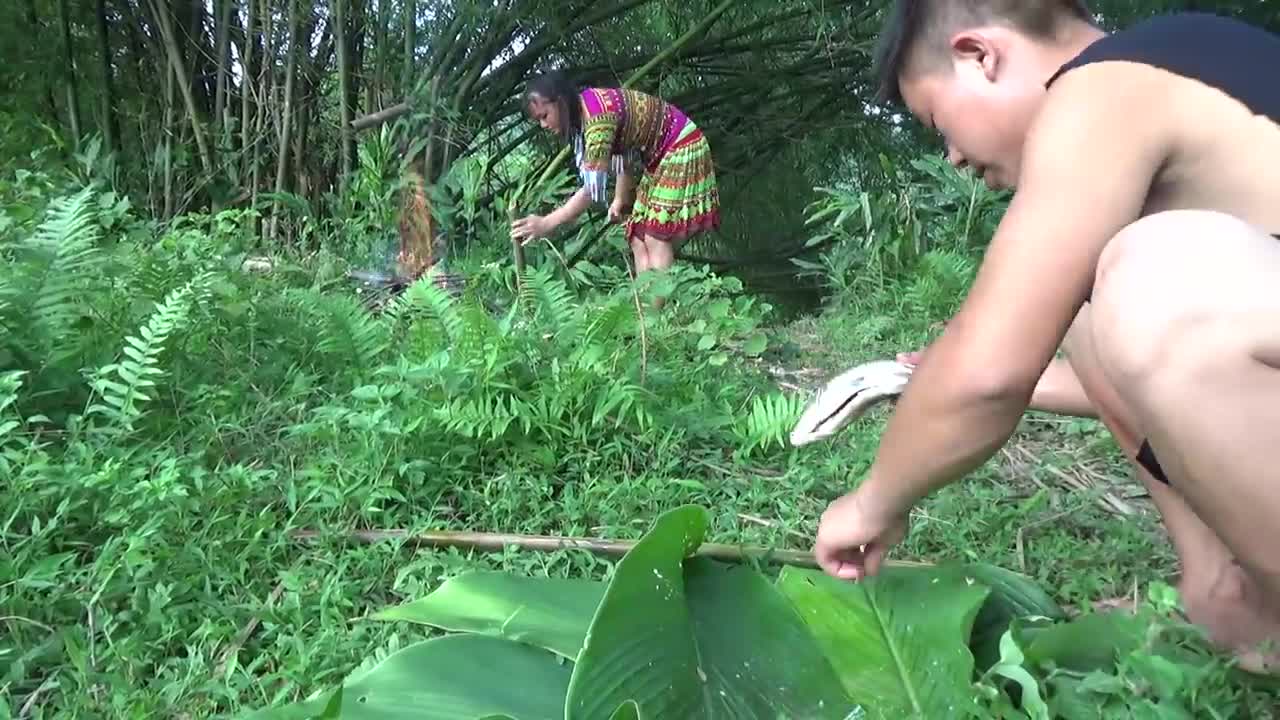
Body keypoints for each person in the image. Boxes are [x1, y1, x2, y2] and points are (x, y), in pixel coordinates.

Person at [813, 2, 1280, 674]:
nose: (952, 158)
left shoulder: (1105, 86)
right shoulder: (1178, 72)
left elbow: (990, 373)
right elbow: (1187, 371)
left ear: (980, 54)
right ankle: (1226, 598)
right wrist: (934, 384)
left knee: (1153, 278)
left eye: (939, 124)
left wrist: (871, 503)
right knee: (1098, 312)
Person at [510, 71, 721, 304]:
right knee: (638, 235)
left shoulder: (597, 119)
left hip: (681, 146)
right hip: (661, 155)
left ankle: (659, 319)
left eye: (544, 115)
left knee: (655, 236)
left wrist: (547, 223)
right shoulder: (587, 108)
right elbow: (623, 156)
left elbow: (591, 190)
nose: (543, 124)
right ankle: (646, 314)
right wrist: (620, 198)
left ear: (560, 101)